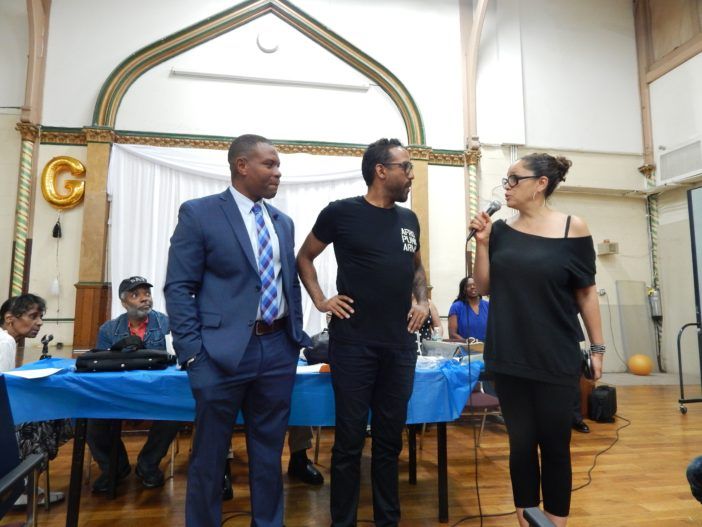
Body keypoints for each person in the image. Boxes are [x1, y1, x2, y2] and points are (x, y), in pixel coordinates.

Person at [165, 134, 310, 527]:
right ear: (241, 165)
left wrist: (295, 338)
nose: (278, 172)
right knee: (210, 457)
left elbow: (287, 284)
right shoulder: (200, 213)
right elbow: (179, 287)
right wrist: (193, 354)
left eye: (278, 165)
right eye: (270, 164)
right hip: (220, 355)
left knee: (268, 455)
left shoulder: (283, 222)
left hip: (277, 350)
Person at [297, 137, 430, 527]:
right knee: (349, 443)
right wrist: (322, 299)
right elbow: (304, 256)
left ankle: (388, 521)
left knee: (390, 441)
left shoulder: (409, 220)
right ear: (381, 170)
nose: (410, 175)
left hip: (400, 346)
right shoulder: (341, 213)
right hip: (353, 344)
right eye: (405, 167)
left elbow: (416, 269)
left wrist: (421, 301)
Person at [469, 153, 605, 527]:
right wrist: (482, 243)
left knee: (556, 447)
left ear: (541, 183)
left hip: (555, 354)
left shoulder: (572, 228)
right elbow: (482, 287)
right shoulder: (499, 231)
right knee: (521, 447)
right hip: (509, 353)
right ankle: (527, 520)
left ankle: (555, 524)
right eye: (506, 180)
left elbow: (586, 294)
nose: (506, 187)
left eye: (514, 179)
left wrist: (597, 347)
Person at [87, 276, 181, 492]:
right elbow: (99, 366)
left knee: (174, 414)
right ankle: (114, 468)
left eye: (147, 294)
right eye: (135, 295)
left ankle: (148, 465)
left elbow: (178, 358)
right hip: (118, 393)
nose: (144, 299)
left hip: (158, 392)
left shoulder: (167, 324)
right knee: (92, 419)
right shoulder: (109, 330)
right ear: (123, 302)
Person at [1, 294, 72, 506]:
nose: (39, 322)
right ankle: (18, 487)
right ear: (9, 318)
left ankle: (22, 483)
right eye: (33, 316)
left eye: (40, 316)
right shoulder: (5, 342)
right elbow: (3, 394)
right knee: (53, 421)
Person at [448, 276, 489, 342]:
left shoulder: (488, 305)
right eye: (468, 286)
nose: (472, 287)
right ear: (464, 290)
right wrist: (467, 342)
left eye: (475, 284)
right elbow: (452, 334)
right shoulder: (456, 307)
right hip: (465, 350)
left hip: (487, 349)